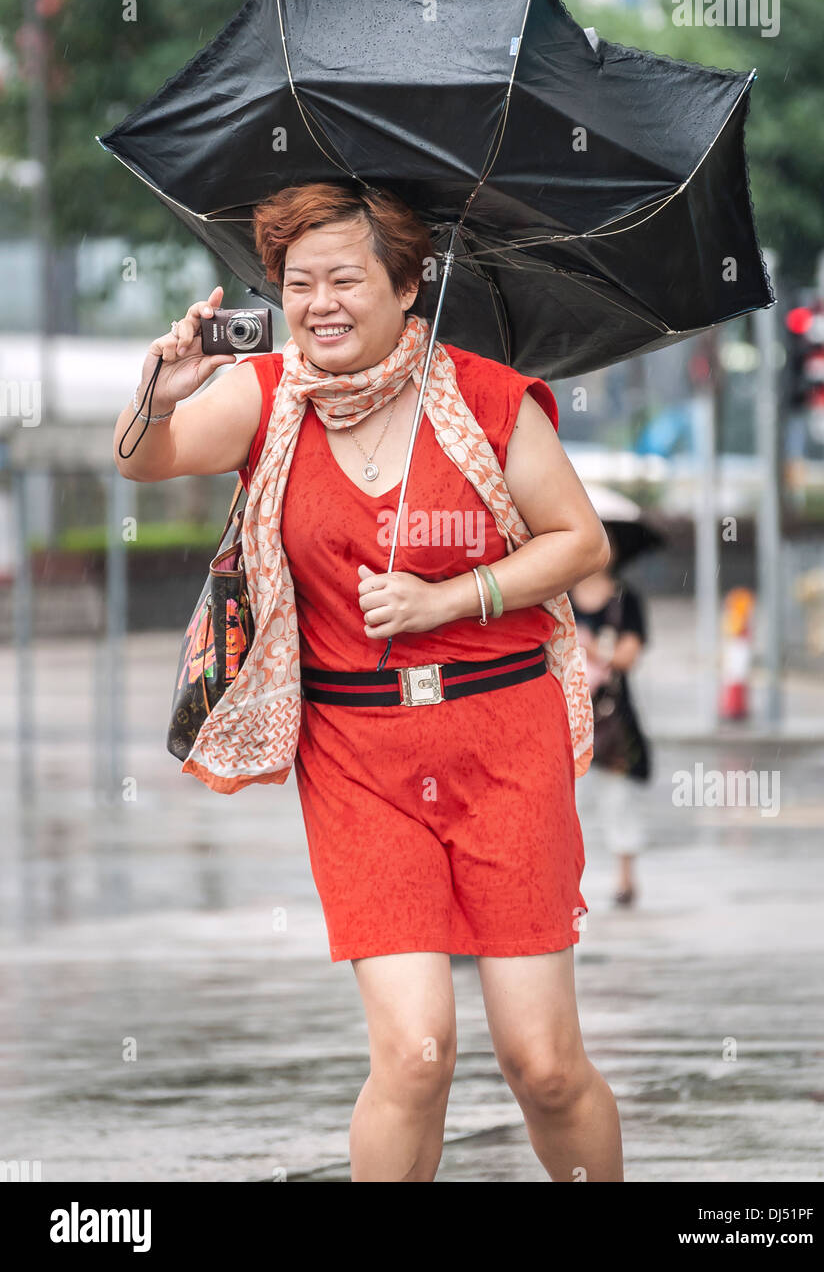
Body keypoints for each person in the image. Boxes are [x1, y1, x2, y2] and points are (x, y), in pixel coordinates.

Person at [113, 180, 623, 1183]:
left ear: (406, 285)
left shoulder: (483, 398)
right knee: (415, 1051)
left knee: (543, 1063)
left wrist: (452, 598)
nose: (318, 303)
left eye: (344, 278)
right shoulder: (266, 397)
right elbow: (145, 462)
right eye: (297, 282)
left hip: (503, 743)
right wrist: (156, 395)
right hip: (357, 761)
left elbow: (579, 540)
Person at [568, 541, 652, 908]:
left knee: (619, 798)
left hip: (612, 717)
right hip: (564, 713)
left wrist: (590, 647)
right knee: (567, 803)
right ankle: (568, 882)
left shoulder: (626, 599)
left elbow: (629, 656)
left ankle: (625, 878)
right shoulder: (558, 594)